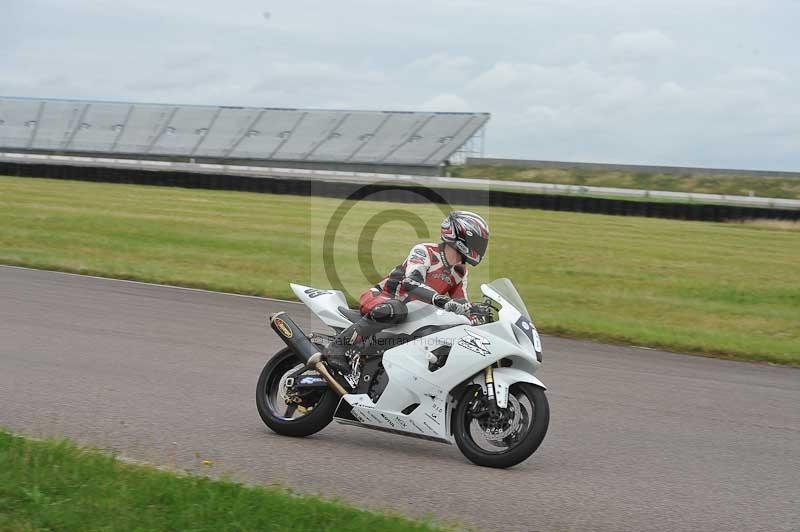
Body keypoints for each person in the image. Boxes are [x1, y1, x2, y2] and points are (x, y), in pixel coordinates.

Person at [324, 211, 490, 382]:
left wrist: (475, 315)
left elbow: (460, 301)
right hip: (382, 297)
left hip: (412, 313)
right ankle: (336, 349)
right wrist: (440, 300)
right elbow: (410, 283)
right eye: (477, 241)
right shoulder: (425, 251)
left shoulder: (460, 272)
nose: (480, 246)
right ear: (459, 235)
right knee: (397, 309)